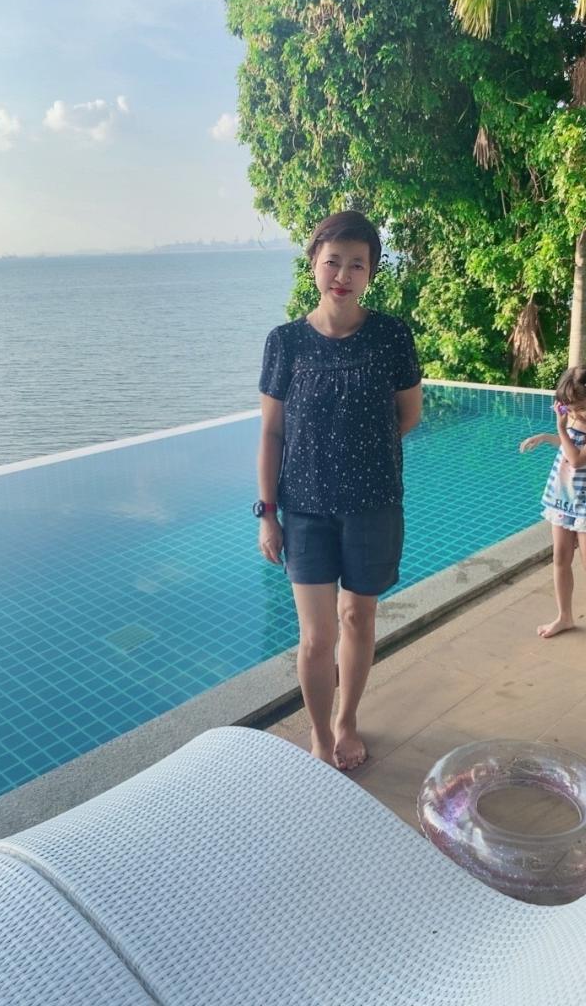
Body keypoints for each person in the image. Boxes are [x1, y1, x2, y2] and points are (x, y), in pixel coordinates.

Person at [254, 211, 422, 770]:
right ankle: (321, 736)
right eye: (333, 262)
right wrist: (268, 513)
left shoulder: (391, 335)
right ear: (313, 264)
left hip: (373, 504)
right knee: (316, 636)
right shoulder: (286, 342)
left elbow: (408, 415)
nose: (343, 275)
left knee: (358, 619)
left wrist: (357, 452)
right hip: (305, 510)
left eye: (357, 264)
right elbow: (272, 433)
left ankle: (347, 720)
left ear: (370, 272)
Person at [520, 365, 586, 638]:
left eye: (581, 408)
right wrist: (547, 438)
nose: (575, 414)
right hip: (562, 499)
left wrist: (560, 428)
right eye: (571, 409)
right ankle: (564, 617)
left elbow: (577, 459)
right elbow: (569, 445)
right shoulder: (576, 419)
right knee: (561, 558)